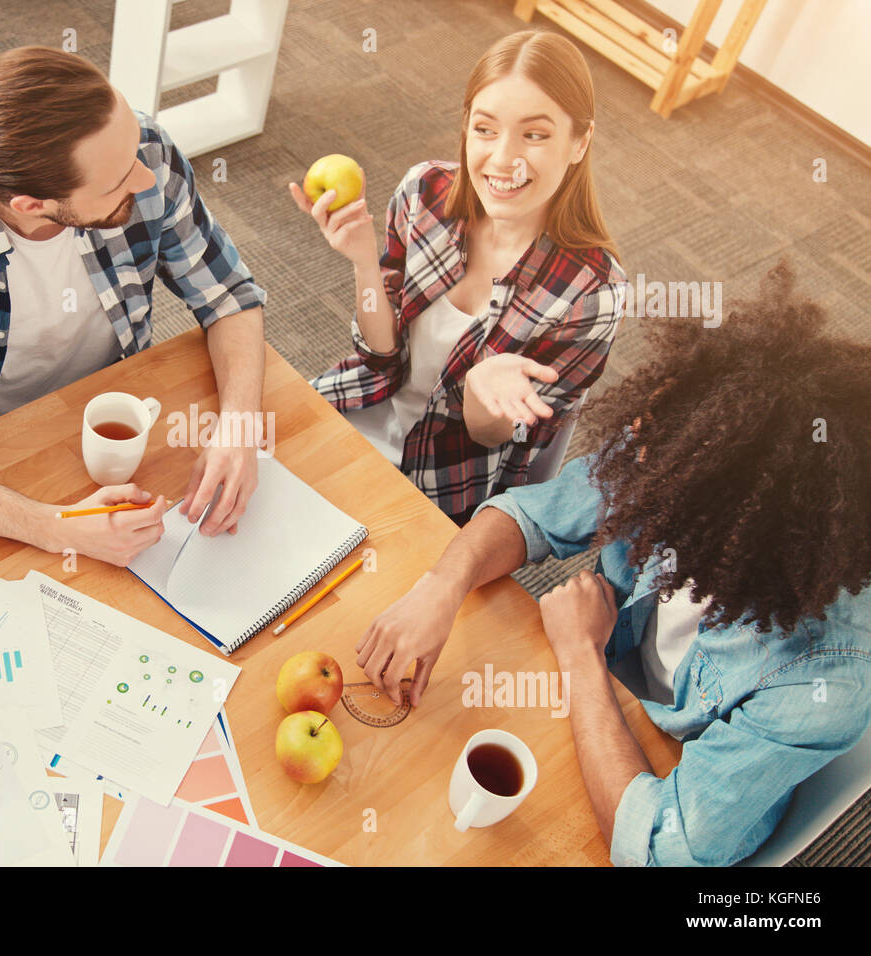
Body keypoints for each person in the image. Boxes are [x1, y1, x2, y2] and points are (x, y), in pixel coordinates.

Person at [355, 264, 871, 866]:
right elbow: (534, 516)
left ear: (740, 530)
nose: (638, 484)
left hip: (662, 765)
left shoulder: (825, 681)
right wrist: (441, 587)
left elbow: (659, 853)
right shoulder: (689, 453)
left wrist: (580, 656)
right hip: (602, 700)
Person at [0, 46, 268, 566]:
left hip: (109, 424)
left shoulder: (137, 148)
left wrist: (239, 429)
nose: (146, 178)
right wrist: (56, 527)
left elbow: (229, 294)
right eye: (117, 182)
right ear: (30, 205)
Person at [293, 30, 625, 525]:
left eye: (535, 135)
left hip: (442, 482)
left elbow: (493, 438)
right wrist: (363, 260)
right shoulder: (424, 191)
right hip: (358, 408)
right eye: (486, 129)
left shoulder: (592, 293)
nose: (503, 158)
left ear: (579, 142)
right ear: (466, 125)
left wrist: (481, 388)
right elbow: (379, 357)